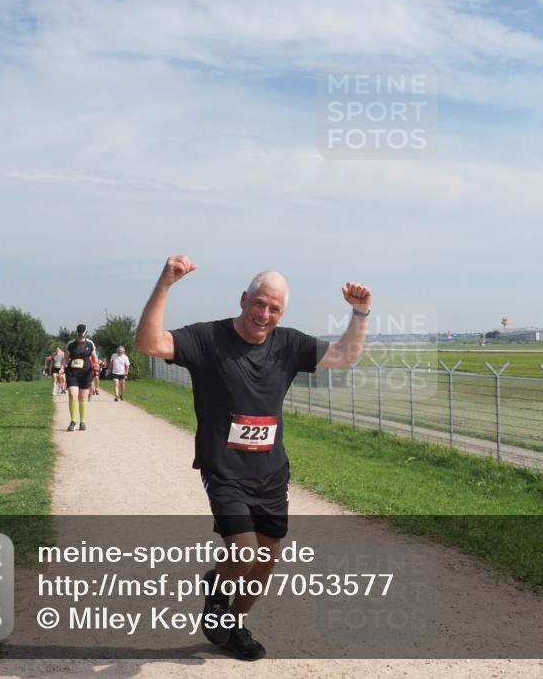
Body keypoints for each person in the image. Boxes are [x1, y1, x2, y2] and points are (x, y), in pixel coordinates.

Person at [136, 256, 371, 661]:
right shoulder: (208, 339)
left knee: (264, 562)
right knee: (242, 553)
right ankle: (217, 591)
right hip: (224, 470)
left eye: (274, 308)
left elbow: (345, 356)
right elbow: (149, 343)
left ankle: (235, 624)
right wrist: (165, 284)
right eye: (259, 304)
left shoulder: (290, 344)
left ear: (282, 312)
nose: (264, 314)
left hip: (271, 474)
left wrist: (360, 312)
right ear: (244, 299)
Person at [64, 325, 97, 431]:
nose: (80, 336)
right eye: (79, 334)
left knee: (83, 397)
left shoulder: (90, 343)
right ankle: (73, 421)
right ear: (76, 333)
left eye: (82, 334)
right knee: (72, 395)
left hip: (86, 373)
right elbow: (66, 358)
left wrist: (96, 364)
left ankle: (82, 422)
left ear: (86, 333)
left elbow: (94, 357)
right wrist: (62, 367)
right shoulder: (71, 344)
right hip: (72, 372)